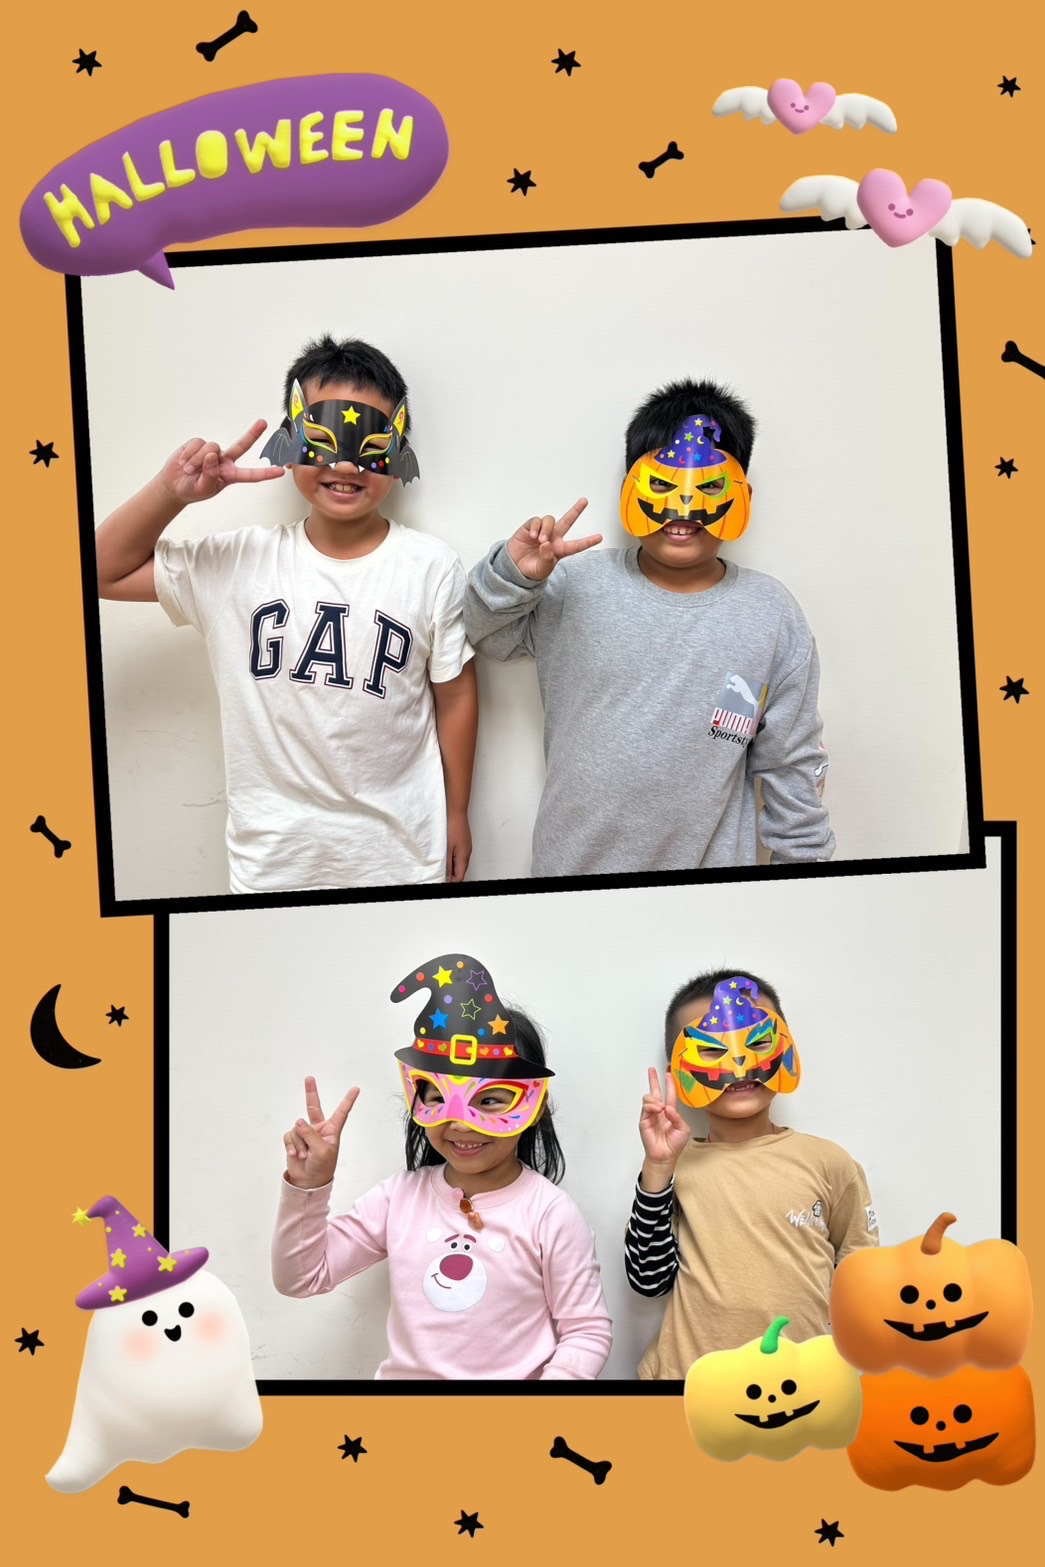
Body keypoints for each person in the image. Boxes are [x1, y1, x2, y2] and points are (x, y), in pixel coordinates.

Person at [96, 335, 477, 894]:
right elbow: (100, 571)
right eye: (324, 438)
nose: (345, 462)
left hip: (401, 855)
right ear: (291, 441)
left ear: (398, 454)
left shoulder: (432, 567)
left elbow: (457, 694)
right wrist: (171, 494)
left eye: (371, 444)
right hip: (273, 863)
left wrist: (457, 811)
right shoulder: (236, 564)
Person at [464, 379, 833, 875]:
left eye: (709, 487)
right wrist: (515, 578)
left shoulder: (771, 613)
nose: (684, 507)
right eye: (661, 484)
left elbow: (791, 761)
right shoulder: (575, 584)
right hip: (572, 869)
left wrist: (806, 869)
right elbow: (485, 634)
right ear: (630, 489)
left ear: (742, 494)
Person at [271, 955, 612, 1380]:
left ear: (534, 1106)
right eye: (438, 1096)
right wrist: (309, 1185)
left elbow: (586, 1331)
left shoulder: (550, 1214)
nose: (461, 1123)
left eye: (490, 1100)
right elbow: (301, 1278)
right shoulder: (397, 1198)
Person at [624, 969, 877, 1378]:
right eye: (711, 1050)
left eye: (758, 1042)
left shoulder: (829, 1162)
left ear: (785, 1046)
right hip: (691, 1379)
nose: (739, 1064)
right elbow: (647, 1280)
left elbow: (860, 1273)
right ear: (679, 1069)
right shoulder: (675, 1166)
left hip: (803, 1385)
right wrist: (657, 1168)